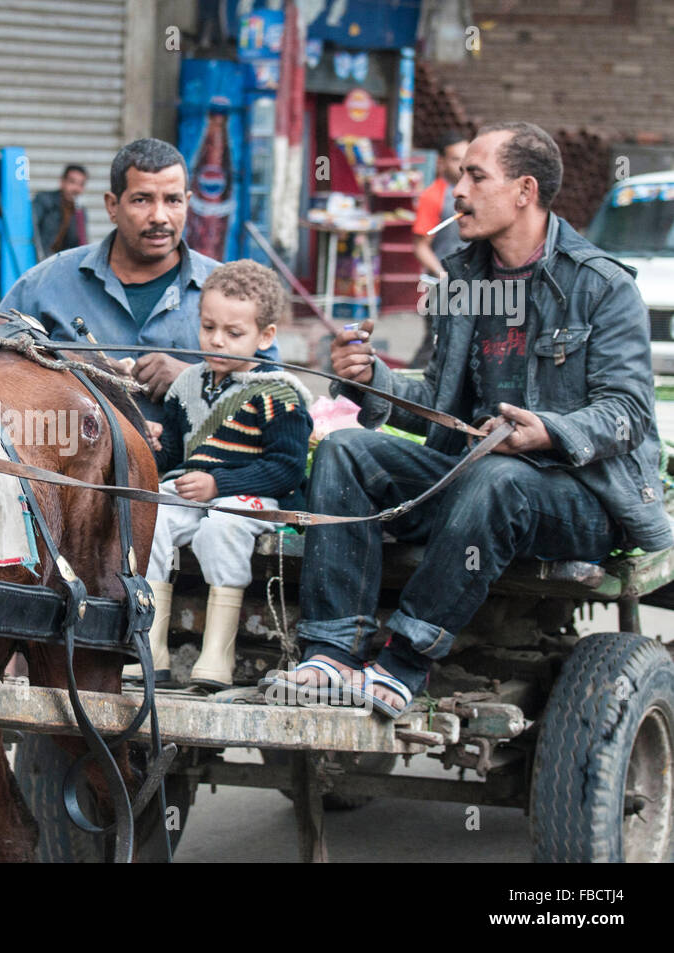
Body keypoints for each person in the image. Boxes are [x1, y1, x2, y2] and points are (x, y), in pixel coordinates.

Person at [268, 121, 671, 718]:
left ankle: (403, 662)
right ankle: (331, 653)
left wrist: (549, 431)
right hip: (474, 481)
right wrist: (372, 376)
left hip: (581, 499)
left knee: (498, 478)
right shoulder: (462, 281)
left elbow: (629, 412)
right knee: (345, 450)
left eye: (475, 176)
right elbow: (437, 398)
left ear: (524, 191)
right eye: (461, 175)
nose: (457, 190)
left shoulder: (601, 286)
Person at [0, 137, 279, 425]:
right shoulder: (46, 283)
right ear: (112, 206)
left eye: (173, 200)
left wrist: (194, 379)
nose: (159, 216)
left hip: (199, 469)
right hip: (69, 468)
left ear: (188, 203)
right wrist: (72, 372)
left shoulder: (232, 290)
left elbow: (276, 401)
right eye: (141, 200)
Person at [126, 260, 312, 687]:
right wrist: (156, 451)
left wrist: (219, 484)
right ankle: (150, 649)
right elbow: (176, 454)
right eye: (208, 327)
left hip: (249, 496)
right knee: (151, 519)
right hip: (192, 492)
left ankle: (217, 657)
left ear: (265, 336)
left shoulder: (279, 394)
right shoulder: (186, 385)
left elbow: (286, 470)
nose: (216, 341)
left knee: (220, 528)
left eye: (233, 333)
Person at [410, 131, 469, 366]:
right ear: (441, 162)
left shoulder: (474, 195)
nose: (463, 166)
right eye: (456, 159)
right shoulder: (432, 196)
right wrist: (443, 274)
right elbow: (420, 247)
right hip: (440, 286)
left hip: (470, 284)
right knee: (434, 345)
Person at [32, 165, 88, 260]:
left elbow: (79, 245)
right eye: (72, 182)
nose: (76, 189)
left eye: (81, 184)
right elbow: (32, 230)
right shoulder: (45, 200)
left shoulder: (79, 212)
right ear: (62, 182)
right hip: (39, 261)